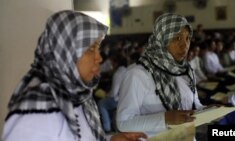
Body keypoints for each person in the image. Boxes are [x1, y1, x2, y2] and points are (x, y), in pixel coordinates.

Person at [2, 10, 147, 141]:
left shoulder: (79, 97)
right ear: (65, 53)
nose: (99, 58)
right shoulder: (35, 115)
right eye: (91, 49)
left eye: (98, 48)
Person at [116, 13, 204, 137]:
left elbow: (194, 105)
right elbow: (123, 123)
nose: (185, 45)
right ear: (161, 39)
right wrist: (165, 119)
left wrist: (209, 111)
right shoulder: (138, 74)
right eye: (177, 38)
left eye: (188, 38)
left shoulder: (186, 71)